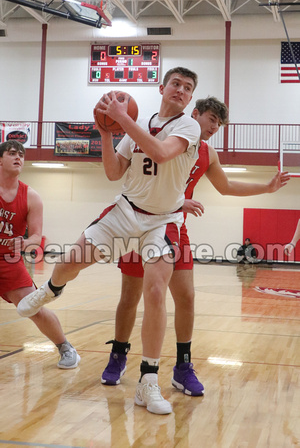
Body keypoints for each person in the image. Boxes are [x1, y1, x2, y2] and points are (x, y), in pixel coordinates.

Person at [17, 66, 201, 415]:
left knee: (157, 291)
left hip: (163, 220)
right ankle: (51, 290)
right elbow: (114, 171)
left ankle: (148, 381)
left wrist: (120, 117)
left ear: (190, 98)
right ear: (162, 88)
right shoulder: (136, 127)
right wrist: (105, 131)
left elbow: (162, 153)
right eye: (175, 83)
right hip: (126, 210)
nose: (180, 90)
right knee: (71, 260)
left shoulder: (187, 127)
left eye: (187, 87)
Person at [100, 96, 290, 395]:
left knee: (186, 297)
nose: (214, 126)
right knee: (130, 296)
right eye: (211, 119)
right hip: (139, 222)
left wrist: (267, 187)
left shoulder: (207, 153)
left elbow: (226, 187)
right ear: (195, 114)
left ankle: (183, 366)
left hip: (174, 229)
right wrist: (176, 200)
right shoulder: (160, 136)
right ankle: (119, 355)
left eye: (219, 123)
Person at [0, 140, 80, 369]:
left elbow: (36, 236)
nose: (18, 158)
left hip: (8, 260)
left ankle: (66, 347)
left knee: (32, 307)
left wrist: (24, 242)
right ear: (0, 159)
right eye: (12, 153)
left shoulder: (31, 196)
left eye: (21, 155)